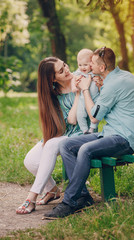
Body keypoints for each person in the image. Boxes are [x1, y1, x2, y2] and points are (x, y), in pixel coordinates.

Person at [43, 47, 134, 219]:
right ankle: (82, 196)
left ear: (102, 68)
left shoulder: (114, 83)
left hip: (124, 139)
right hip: (109, 133)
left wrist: (86, 89)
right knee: (66, 144)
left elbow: (95, 117)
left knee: (85, 149)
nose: (89, 65)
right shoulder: (120, 77)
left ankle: (69, 202)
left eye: (92, 63)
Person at [16, 56, 82, 214]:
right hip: (62, 134)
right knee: (30, 160)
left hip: (80, 134)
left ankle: (30, 198)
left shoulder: (80, 79)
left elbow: (75, 121)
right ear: (52, 79)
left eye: (64, 65)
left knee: (52, 144)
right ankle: (52, 189)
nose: (67, 70)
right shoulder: (53, 95)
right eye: (61, 71)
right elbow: (60, 125)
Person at [71, 48, 99, 134]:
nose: (82, 67)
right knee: (80, 114)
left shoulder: (95, 72)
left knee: (97, 113)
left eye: (85, 65)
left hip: (95, 97)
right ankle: (84, 130)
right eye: (80, 65)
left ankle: (92, 129)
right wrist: (73, 87)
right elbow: (73, 78)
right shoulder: (78, 73)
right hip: (82, 98)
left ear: (91, 63)